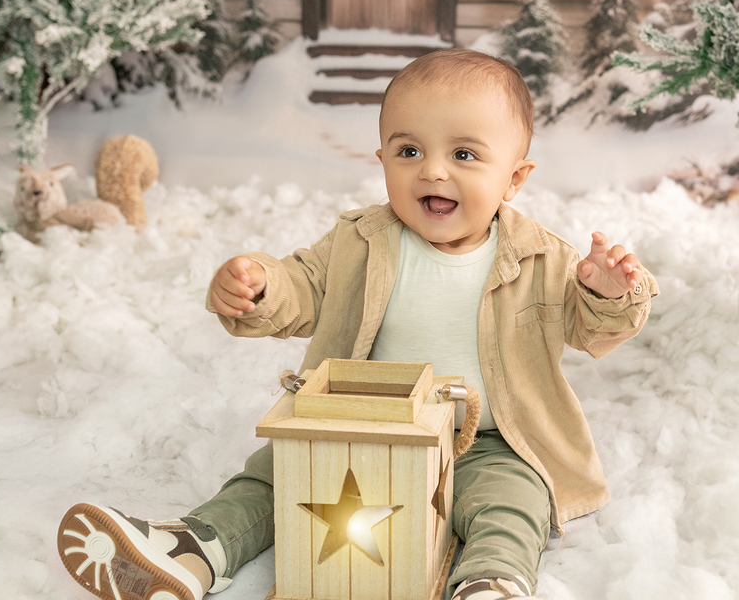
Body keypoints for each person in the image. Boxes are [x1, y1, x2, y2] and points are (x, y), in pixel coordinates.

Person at [56, 49, 658, 600]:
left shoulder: (541, 257)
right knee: (277, 477)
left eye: (465, 155)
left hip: (491, 442)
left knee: (511, 502)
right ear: (382, 161)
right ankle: (193, 551)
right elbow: (305, 284)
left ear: (515, 177)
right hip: (364, 427)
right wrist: (260, 284)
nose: (433, 172)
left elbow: (594, 327)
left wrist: (606, 291)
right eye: (409, 151)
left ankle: (491, 581)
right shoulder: (361, 241)